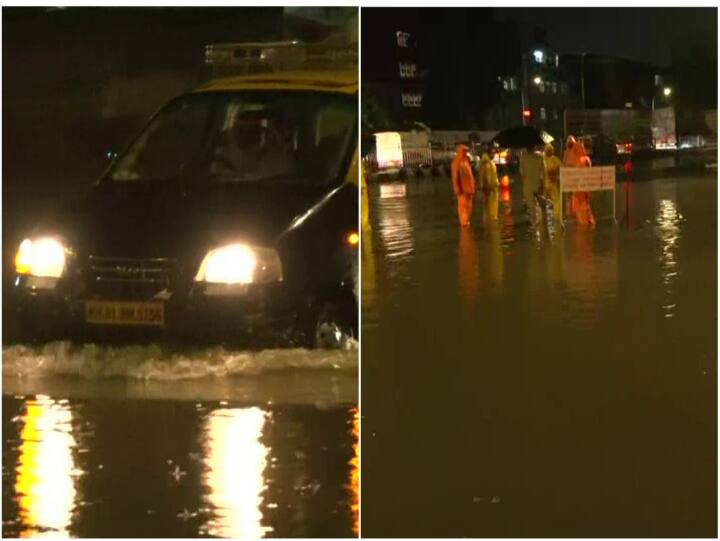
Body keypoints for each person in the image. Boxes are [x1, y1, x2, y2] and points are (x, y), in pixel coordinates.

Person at [450, 144, 476, 226]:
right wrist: (457, 188)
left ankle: (466, 222)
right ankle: (464, 223)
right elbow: (455, 176)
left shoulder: (466, 162)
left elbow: (470, 175)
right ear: (459, 152)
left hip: (469, 189)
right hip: (462, 190)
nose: (465, 153)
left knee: (469, 207)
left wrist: (473, 185)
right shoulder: (456, 162)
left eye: (466, 151)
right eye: (463, 151)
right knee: (463, 207)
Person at [519, 146, 544, 225]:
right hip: (538, 185)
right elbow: (543, 173)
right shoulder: (540, 158)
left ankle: (534, 226)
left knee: (531, 207)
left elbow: (522, 174)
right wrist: (542, 184)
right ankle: (540, 225)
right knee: (539, 206)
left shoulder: (523, 158)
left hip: (528, 186)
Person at [478, 152, 499, 223]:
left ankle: (489, 218)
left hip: (491, 188)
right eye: (492, 153)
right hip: (491, 188)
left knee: (488, 204)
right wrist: (489, 187)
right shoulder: (488, 165)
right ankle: (491, 218)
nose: (493, 154)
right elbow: (488, 177)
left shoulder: (487, 164)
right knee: (490, 204)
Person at [543, 143, 562, 221]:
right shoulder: (554, 159)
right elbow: (562, 168)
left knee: (543, 201)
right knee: (556, 200)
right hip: (551, 183)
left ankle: (543, 218)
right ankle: (556, 216)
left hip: (547, 184)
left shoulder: (543, 160)